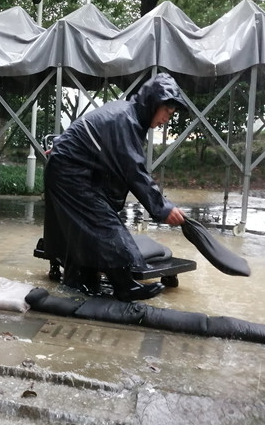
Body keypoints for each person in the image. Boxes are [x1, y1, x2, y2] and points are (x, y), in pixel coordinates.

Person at [43, 72, 187, 301]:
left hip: (73, 169)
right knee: (104, 223)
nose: (166, 119)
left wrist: (62, 145)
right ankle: (124, 285)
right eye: (166, 113)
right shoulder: (126, 120)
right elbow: (134, 172)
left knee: (84, 228)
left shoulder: (129, 117)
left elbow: (90, 133)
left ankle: (79, 281)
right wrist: (162, 208)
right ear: (154, 103)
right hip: (69, 173)